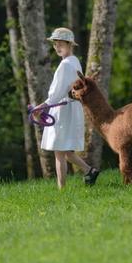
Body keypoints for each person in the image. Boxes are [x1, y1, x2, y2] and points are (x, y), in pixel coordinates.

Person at [31, 27, 100, 189]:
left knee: (59, 152)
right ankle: (90, 170)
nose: (57, 47)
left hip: (63, 109)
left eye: (60, 44)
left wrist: (41, 107)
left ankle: (62, 190)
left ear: (69, 44)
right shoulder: (74, 61)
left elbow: (56, 93)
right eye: (55, 45)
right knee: (66, 151)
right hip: (70, 108)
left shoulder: (65, 65)